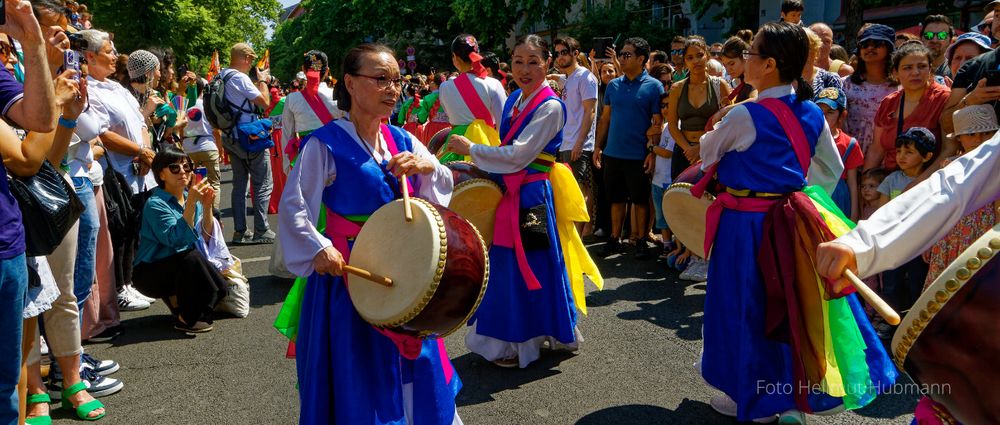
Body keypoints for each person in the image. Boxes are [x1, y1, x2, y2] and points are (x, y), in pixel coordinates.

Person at [697, 22, 893, 423]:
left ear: (768, 64)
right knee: (792, 305)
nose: (745, 59)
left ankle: (752, 399)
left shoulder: (745, 115)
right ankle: (790, 397)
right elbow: (831, 168)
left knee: (744, 306)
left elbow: (707, 151)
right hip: (790, 222)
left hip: (743, 225)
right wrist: (792, 194)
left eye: (751, 53)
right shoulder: (812, 112)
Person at [278, 43, 461, 424]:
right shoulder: (325, 143)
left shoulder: (402, 139)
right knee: (359, 374)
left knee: (419, 363)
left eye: (396, 80)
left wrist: (425, 167)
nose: (392, 88)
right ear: (350, 82)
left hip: (406, 275)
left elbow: (439, 192)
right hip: (351, 276)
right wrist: (318, 248)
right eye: (380, 79)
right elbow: (295, 207)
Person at [447, 34, 600, 369]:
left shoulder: (550, 106)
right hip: (510, 191)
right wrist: (481, 166)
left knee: (532, 264)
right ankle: (526, 336)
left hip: (530, 195)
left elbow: (520, 155)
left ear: (547, 63)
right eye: (518, 61)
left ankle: (521, 342)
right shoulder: (514, 98)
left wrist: (471, 149)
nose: (525, 69)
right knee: (511, 265)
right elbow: (509, 156)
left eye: (534, 61)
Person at [76, 29, 155, 311]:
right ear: (90, 56)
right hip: (116, 170)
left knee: (133, 228)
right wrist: (140, 152)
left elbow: (141, 122)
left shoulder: (117, 87)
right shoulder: (89, 90)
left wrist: (145, 152)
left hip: (138, 169)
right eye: (108, 51)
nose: (114, 56)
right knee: (119, 230)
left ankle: (130, 284)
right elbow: (104, 135)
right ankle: (120, 287)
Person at [132, 147, 227, 333]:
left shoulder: (188, 196)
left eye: (187, 166)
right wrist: (192, 203)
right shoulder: (155, 204)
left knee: (215, 282)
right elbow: (176, 240)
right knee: (191, 257)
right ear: (161, 174)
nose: (183, 172)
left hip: (181, 265)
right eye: (175, 168)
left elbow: (205, 238)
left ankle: (182, 303)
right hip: (149, 273)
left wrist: (207, 207)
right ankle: (185, 318)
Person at [593, 37, 665, 260]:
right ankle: (615, 239)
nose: (622, 59)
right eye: (621, 55)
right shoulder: (613, 85)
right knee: (615, 198)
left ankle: (641, 240)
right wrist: (597, 146)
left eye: (627, 55)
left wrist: (652, 151)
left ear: (641, 59)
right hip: (613, 153)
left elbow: (657, 123)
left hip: (639, 155)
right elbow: (605, 118)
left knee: (640, 200)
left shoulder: (654, 86)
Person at [921, 105, 999, 290]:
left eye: (986, 133)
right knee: (941, 290)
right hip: (948, 236)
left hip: (983, 235)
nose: (979, 139)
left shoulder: (996, 168)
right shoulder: (948, 167)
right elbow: (939, 205)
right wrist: (929, 238)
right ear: (959, 138)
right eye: (971, 134)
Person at [877, 128, 937, 315]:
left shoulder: (932, 182)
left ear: (927, 157)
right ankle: (889, 321)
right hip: (894, 242)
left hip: (920, 244)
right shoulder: (891, 179)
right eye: (899, 151)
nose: (901, 156)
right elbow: (882, 211)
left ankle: (913, 324)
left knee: (916, 283)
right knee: (891, 283)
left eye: (909, 152)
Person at [219, 42, 274, 245]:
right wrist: (263, 82)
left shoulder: (221, 76)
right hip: (250, 137)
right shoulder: (240, 78)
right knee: (262, 183)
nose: (251, 63)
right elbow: (264, 102)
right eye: (250, 59)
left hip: (230, 136)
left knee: (239, 185)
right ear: (245, 58)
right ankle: (262, 229)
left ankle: (240, 231)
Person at [866, 42, 949, 171]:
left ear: (930, 69)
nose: (915, 72)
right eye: (907, 68)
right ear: (895, 72)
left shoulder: (943, 99)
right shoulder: (888, 103)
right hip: (892, 183)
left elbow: (948, 150)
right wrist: (866, 184)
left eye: (922, 66)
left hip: (929, 183)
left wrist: (915, 186)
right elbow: (877, 149)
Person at [436, 34, 507, 163]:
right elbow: (503, 124)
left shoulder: (444, 87)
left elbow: (449, 116)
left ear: (455, 58)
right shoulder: (494, 84)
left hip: (455, 145)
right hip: (486, 146)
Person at [553, 36, 598, 237]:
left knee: (580, 192)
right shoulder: (569, 78)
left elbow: (591, 112)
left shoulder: (585, 77)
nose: (560, 57)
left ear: (574, 53)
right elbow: (557, 78)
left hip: (578, 145)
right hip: (565, 143)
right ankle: (573, 233)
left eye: (564, 52)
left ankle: (580, 236)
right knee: (569, 191)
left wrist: (580, 143)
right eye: (557, 53)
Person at [280, 50, 342, 171]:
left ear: (304, 69)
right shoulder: (339, 97)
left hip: (307, 161)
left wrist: (287, 167)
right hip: (337, 158)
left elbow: (287, 135)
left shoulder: (292, 99)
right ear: (327, 70)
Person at [842, 24, 899, 155]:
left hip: (886, 158)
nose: (870, 47)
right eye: (865, 44)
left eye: (877, 43)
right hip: (850, 156)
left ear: (889, 48)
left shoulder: (899, 87)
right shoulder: (845, 84)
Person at [814, 87, 863, 221]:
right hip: (813, 194)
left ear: (842, 115)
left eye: (830, 112)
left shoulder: (850, 144)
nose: (824, 116)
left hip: (838, 197)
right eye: (820, 111)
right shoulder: (808, 138)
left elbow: (852, 183)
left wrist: (854, 214)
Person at [652, 93, 676, 260]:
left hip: (670, 178)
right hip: (658, 178)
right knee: (661, 215)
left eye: (669, 105)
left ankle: (677, 246)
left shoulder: (677, 125)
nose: (665, 109)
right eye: (663, 106)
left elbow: (667, 152)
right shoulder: (665, 126)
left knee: (673, 215)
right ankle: (666, 245)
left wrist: (651, 148)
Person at [803, 27, 843, 95]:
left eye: (808, 48)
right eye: (797, 49)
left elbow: (835, 105)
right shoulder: (784, 79)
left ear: (816, 50)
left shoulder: (829, 79)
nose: (803, 52)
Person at [720, 31, 757, 103]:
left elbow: (755, 99)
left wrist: (723, 111)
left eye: (732, 63)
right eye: (725, 65)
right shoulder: (745, 80)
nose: (728, 70)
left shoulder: (754, 79)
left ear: (745, 57)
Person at [921, 14, 954, 79]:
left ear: (950, 40)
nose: (934, 40)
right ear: (922, 38)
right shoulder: (910, 70)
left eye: (942, 35)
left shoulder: (955, 72)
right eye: (929, 35)